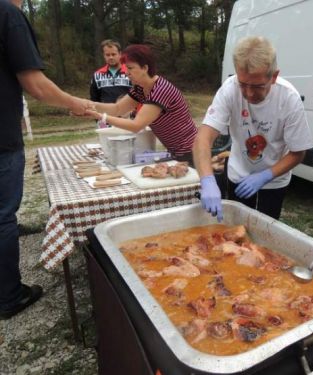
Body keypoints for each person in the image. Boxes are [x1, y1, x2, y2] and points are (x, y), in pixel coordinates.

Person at [0, 0, 89, 320]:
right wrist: (74, 102)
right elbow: (35, 83)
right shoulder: (8, 14)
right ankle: (9, 295)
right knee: (2, 217)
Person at [193, 36, 313, 222]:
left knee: (264, 237)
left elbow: (299, 153)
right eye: (243, 84)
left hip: (274, 181)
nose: (249, 93)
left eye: (257, 86)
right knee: (234, 231)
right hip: (237, 174)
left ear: (274, 76)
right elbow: (203, 138)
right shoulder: (229, 90)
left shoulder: (289, 99)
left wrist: (266, 175)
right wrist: (207, 179)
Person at [86, 44, 197, 160]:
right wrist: (88, 105)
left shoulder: (160, 90)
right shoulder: (140, 88)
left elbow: (136, 125)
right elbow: (117, 108)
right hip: (177, 151)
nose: (126, 73)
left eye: (130, 68)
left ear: (145, 68)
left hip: (191, 150)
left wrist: (100, 116)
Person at [90, 40, 131, 105]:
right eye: (107, 55)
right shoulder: (97, 75)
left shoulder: (130, 72)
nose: (111, 57)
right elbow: (94, 100)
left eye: (113, 54)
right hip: (105, 114)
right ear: (104, 55)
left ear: (120, 54)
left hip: (127, 113)